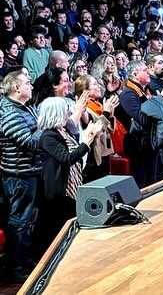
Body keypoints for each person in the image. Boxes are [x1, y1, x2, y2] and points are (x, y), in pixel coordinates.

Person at [36, 97, 104, 246]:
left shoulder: (63, 131)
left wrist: (88, 137)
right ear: (56, 113)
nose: (68, 113)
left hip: (72, 184)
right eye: (65, 110)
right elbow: (67, 158)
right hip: (59, 190)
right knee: (60, 229)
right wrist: (87, 141)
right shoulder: (48, 137)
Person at [0, 70, 42, 281]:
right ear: (16, 88)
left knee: (27, 220)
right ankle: (17, 266)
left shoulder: (22, 107)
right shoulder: (10, 112)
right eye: (27, 83)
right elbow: (30, 142)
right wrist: (46, 125)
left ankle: (26, 259)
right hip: (19, 174)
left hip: (28, 171)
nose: (31, 86)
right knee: (20, 220)